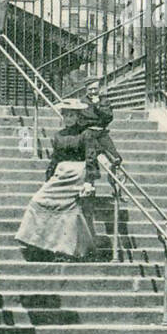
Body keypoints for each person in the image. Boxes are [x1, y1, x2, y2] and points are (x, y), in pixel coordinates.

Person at [16, 100, 99, 261]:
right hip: (60, 174)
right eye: (66, 115)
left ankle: (67, 250)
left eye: (72, 115)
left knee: (69, 210)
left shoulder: (86, 134)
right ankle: (36, 240)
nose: (69, 118)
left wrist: (89, 180)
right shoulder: (59, 135)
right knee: (38, 200)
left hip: (77, 174)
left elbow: (91, 157)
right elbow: (55, 159)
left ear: (78, 117)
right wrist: (49, 178)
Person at [80, 79, 124, 183]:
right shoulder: (82, 102)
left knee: (115, 158)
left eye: (95, 89)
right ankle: (90, 186)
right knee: (91, 158)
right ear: (86, 89)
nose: (93, 92)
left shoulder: (104, 101)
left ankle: (116, 188)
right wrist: (97, 118)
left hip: (102, 133)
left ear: (99, 89)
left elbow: (108, 117)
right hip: (88, 133)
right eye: (90, 89)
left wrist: (97, 107)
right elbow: (82, 119)